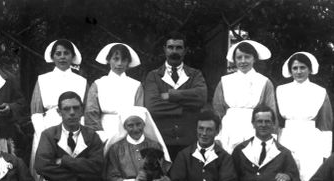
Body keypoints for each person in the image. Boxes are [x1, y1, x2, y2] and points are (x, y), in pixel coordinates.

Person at [276, 52, 333, 181]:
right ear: (290, 70)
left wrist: (326, 154)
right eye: (295, 68)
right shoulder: (280, 90)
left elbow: (325, 124)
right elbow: (276, 120)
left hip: (311, 140)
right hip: (287, 138)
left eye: (302, 68)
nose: (299, 71)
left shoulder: (319, 91)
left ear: (310, 69)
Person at [29, 39, 88, 181]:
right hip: (48, 125)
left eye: (66, 53)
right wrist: (42, 133)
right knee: (45, 161)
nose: (62, 57)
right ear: (53, 57)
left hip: (74, 125)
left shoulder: (81, 81)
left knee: (71, 160)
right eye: (58, 54)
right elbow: (36, 111)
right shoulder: (43, 79)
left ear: (72, 57)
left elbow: (85, 110)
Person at [144, 31, 207, 160]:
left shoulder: (195, 74)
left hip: (189, 140)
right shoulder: (153, 76)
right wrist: (185, 107)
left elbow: (201, 98)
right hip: (162, 140)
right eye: (170, 47)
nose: (174, 51)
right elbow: (153, 106)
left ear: (185, 50)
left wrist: (170, 95)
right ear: (164, 50)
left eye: (179, 48)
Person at [213, 40, 278, 153]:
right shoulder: (225, 81)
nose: (243, 61)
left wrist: (272, 134)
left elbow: (271, 111)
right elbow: (218, 110)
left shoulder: (264, 82)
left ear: (254, 59)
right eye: (239, 57)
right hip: (229, 128)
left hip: (254, 127)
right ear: (234, 60)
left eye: (247, 57)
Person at [85, 43, 144, 143]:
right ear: (108, 60)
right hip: (104, 131)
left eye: (124, 60)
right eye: (115, 59)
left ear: (128, 62)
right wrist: (100, 134)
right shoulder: (98, 84)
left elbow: (139, 112)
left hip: (129, 131)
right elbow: (91, 112)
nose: (119, 63)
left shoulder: (136, 85)